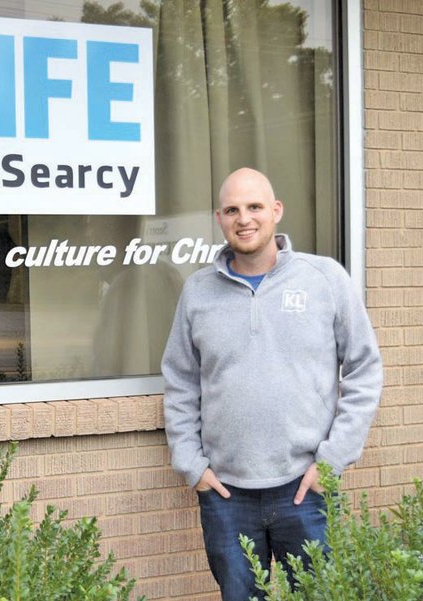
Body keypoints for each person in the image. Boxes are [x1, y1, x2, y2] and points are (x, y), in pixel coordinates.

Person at [161, 168, 383, 600]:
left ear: (276, 211)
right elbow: (181, 382)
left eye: (255, 207)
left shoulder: (325, 279)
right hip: (227, 496)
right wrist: (193, 465)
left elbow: (364, 369)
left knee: (320, 595)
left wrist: (332, 461)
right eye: (232, 210)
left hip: (306, 490)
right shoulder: (197, 293)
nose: (244, 218)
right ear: (220, 218)